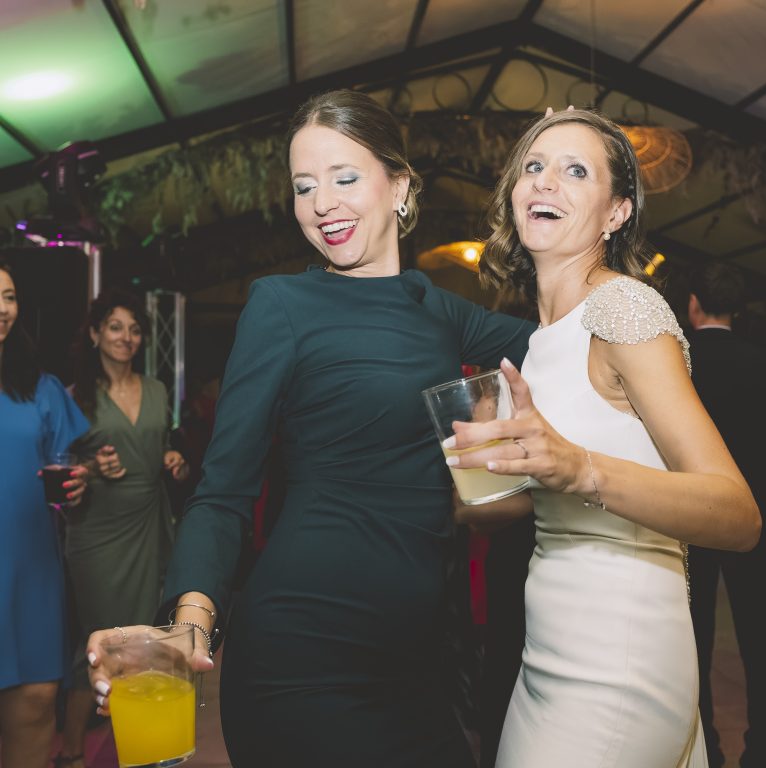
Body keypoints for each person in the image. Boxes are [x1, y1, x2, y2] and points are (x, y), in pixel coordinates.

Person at [86, 89, 534, 767]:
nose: (322, 203)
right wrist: (189, 623)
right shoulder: (283, 305)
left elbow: (569, 341)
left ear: (400, 188)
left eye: (345, 178)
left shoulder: (438, 309)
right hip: (303, 657)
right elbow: (224, 489)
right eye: (304, 186)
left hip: (417, 664)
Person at [453, 107, 761, 767]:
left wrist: (580, 468)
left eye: (574, 171)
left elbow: (738, 514)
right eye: (533, 167)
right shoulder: (538, 343)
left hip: (620, 652)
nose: (544, 182)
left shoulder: (623, 309)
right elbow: (525, 503)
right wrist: (476, 483)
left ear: (616, 212)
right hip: (549, 647)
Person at [55, 289, 190, 768]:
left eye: (134, 329)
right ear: (94, 334)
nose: (126, 337)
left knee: (149, 640)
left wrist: (173, 462)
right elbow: (57, 469)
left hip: (149, 525)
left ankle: (146, 747)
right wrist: (88, 467)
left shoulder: (156, 390)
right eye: (115, 327)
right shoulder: (74, 399)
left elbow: (161, 453)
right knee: (100, 639)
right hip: (97, 534)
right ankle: (72, 750)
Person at [686, 262, 766, 768]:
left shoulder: (678, 364)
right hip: (756, 512)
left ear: (693, 305)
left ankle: (707, 750)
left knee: (694, 637)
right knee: (761, 638)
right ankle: (764, 753)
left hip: (694, 512)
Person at [0, 260, 90, 768]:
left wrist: (82, 483)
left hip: (31, 562)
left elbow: (70, 469)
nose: (2, 307)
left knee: (35, 704)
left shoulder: (40, 387)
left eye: (9, 296)